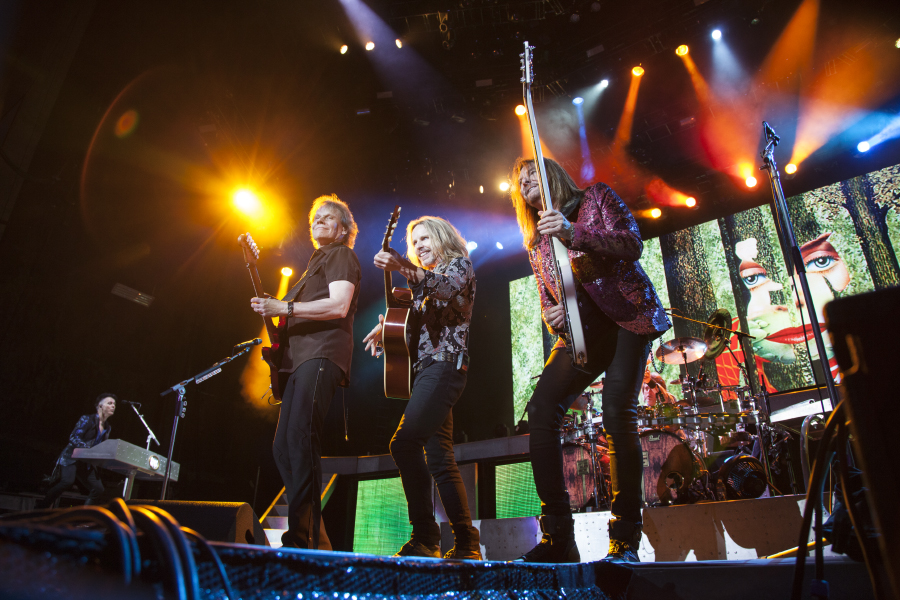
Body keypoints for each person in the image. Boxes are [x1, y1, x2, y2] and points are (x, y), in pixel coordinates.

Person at [510, 157, 671, 563]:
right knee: (541, 409)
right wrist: (552, 316)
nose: (526, 183)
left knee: (618, 412)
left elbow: (631, 243)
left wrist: (572, 232)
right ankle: (558, 536)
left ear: (552, 175)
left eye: (533, 175)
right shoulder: (536, 243)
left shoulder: (595, 197)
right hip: (581, 334)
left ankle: (625, 538)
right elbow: (548, 297)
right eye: (520, 182)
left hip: (626, 318)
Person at [363, 216, 481, 560]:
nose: (419, 246)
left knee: (403, 444)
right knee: (441, 459)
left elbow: (443, 288)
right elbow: (411, 326)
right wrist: (387, 330)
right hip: (426, 370)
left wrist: (402, 265)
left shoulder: (459, 266)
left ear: (442, 237)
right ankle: (466, 544)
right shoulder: (419, 286)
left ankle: (426, 536)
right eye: (414, 243)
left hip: (446, 366)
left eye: (425, 238)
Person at [248, 194, 361, 550]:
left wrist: (285, 307)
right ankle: (315, 534)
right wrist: (275, 308)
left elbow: (339, 305)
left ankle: (303, 536)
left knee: (299, 437)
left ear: (343, 230)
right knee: (283, 446)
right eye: (315, 218)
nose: (319, 222)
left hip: (321, 354)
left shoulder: (341, 255)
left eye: (328, 217)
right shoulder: (312, 267)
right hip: (298, 361)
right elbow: (292, 313)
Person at [39, 394, 116, 508]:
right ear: (100, 406)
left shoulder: (107, 427)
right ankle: (41, 507)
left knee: (98, 488)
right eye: (109, 403)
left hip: (86, 461)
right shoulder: (87, 419)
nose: (113, 406)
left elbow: (101, 445)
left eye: (114, 404)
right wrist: (87, 448)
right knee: (67, 482)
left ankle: (85, 514)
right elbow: (74, 437)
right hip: (72, 457)